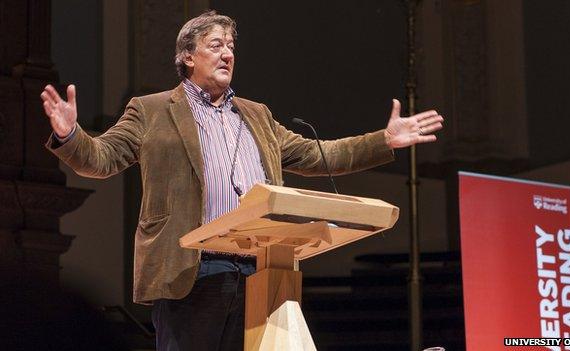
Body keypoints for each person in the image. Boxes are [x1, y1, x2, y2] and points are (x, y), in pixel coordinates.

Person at [40, 10, 443, 351]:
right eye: (216, 45)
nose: (227, 53)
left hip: (262, 271)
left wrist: (384, 140)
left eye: (231, 47)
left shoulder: (257, 115)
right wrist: (70, 136)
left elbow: (321, 155)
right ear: (186, 56)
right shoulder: (152, 111)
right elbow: (102, 159)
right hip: (191, 272)